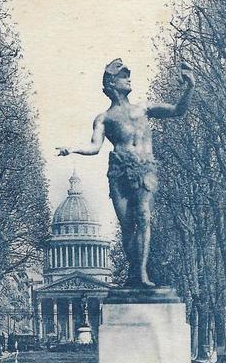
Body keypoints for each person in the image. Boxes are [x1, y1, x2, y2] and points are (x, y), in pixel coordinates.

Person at [57, 58, 195, 288]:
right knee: (127, 225)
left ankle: (141, 274)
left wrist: (190, 87)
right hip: (118, 172)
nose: (128, 77)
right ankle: (134, 272)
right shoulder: (104, 118)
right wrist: (72, 149)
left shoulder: (144, 107)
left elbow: (177, 111)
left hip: (143, 169)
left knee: (143, 217)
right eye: (123, 75)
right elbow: (94, 146)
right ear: (111, 83)